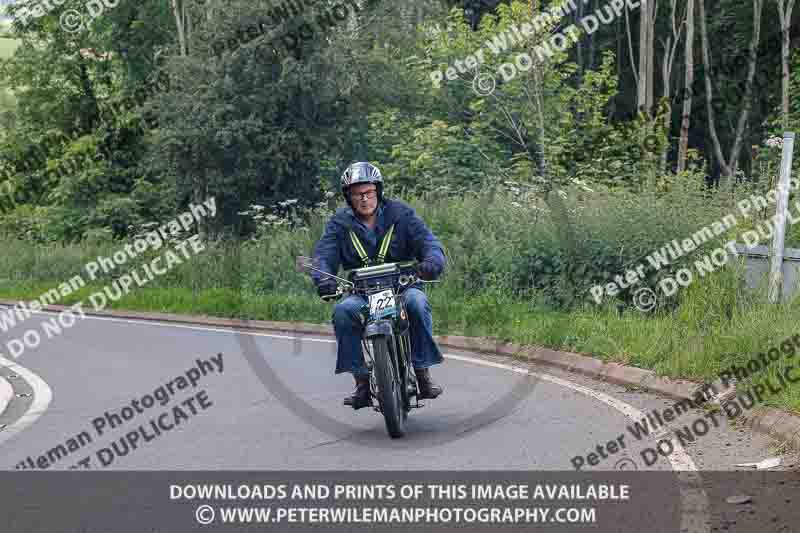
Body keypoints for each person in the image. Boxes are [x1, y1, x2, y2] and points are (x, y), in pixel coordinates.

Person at [310, 161, 446, 409]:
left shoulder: (401, 214)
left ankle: (423, 374)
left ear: (378, 191)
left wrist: (432, 261)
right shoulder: (339, 224)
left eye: (369, 192)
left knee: (417, 303)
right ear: (348, 197)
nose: (364, 199)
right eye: (357, 194)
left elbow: (429, 242)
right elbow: (324, 256)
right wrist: (324, 279)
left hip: (403, 286)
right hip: (361, 292)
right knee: (342, 312)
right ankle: (361, 383)